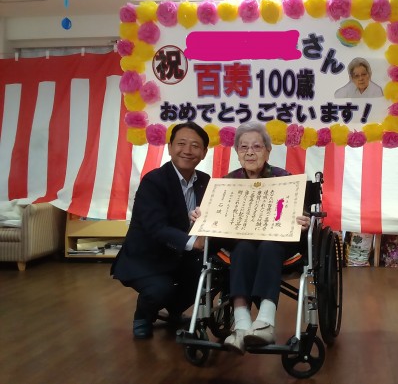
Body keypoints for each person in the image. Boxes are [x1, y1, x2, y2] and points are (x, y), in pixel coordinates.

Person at [191, 121, 309, 355]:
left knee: (268, 246)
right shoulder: (228, 181)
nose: (250, 152)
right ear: (237, 152)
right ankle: (242, 325)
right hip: (240, 243)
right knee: (243, 248)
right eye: (244, 147)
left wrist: (304, 219)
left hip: (276, 243)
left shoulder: (284, 178)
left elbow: (301, 212)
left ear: (268, 150)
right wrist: (200, 216)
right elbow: (215, 214)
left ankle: (265, 321)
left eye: (256, 146)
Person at [111, 121, 210, 339]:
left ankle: (174, 310)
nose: (187, 150)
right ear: (169, 148)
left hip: (181, 256)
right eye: (181, 143)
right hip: (147, 257)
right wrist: (194, 242)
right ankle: (143, 315)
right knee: (160, 289)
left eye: (195, 146)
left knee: (213, 275)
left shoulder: (205, 181)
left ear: (204, 153)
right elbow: (155, 227)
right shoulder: (153, 181)